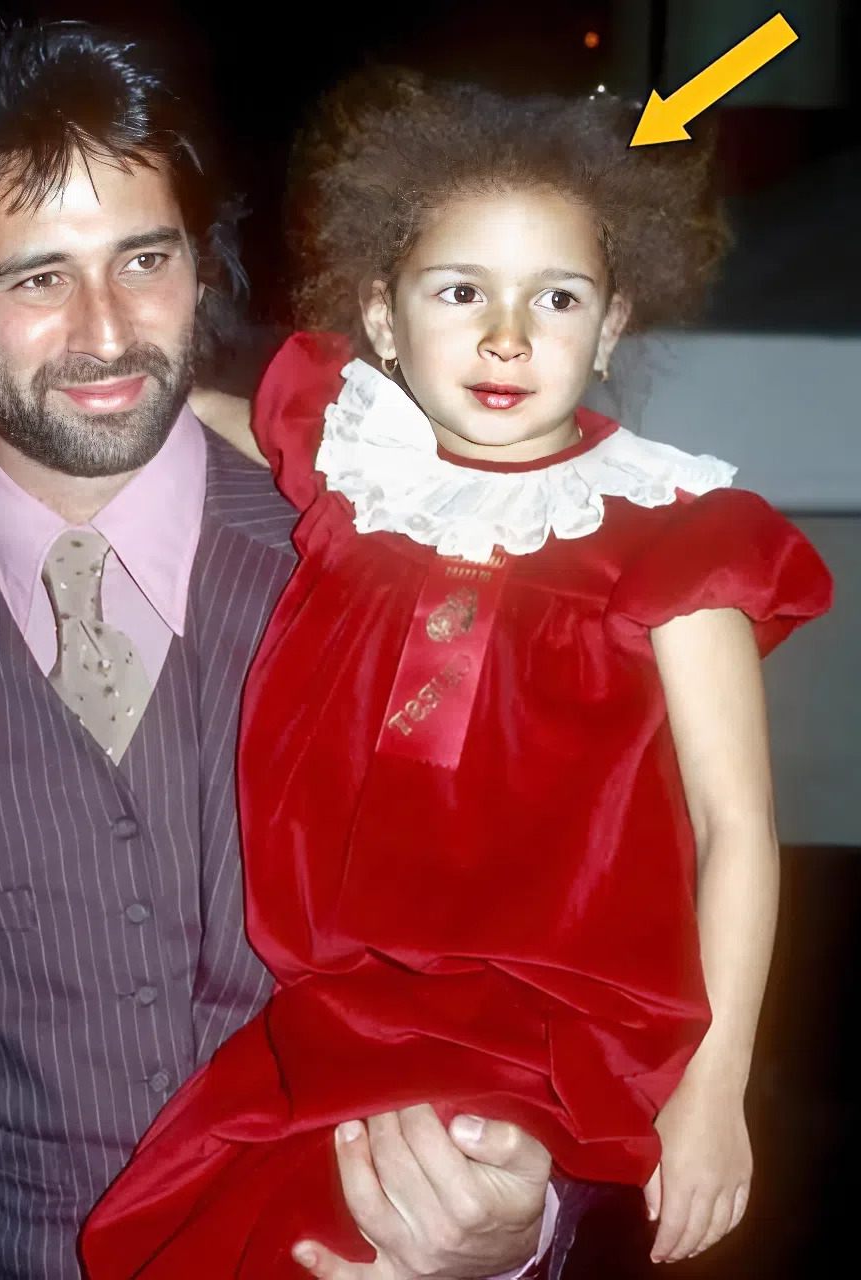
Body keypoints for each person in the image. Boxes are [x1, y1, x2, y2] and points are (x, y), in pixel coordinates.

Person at [74, 74, 833, 1279]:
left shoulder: (674, 531)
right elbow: (187, 412)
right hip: (341, 1003)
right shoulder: (357, 465)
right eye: (461, 290)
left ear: (612, 324)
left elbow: (734, 825)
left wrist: (712, 1088)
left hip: (542, 1021)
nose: (507, 335)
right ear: (382, 316)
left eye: (557, 297)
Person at [0, 27, 564, 1280]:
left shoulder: (402, 575)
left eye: (144, 259)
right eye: (37, 278)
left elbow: (568, 947)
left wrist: (513, 1229)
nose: (108, 330)